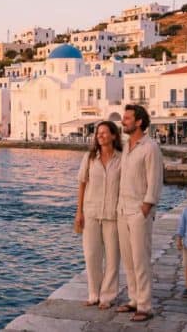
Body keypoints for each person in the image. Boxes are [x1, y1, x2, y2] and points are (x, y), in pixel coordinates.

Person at [115, 105, 163, 322]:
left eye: (127, 118)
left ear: (139, 122)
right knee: (128, 259)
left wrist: (147, 205)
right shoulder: (127, 146)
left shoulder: (150, 147)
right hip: (122, 209)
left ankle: (145, 305)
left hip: (139, 210)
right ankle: (133, 299)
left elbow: (155, 178)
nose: (123, 121)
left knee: (140, 259)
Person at [74, 121, 123, 310]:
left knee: (112, 257)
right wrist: (79, 212)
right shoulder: (89, 157)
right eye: (98, 133)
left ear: (113, 135)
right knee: (92, 254)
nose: (100, 136)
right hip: (91, 212)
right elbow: (82, 184)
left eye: (104, 132)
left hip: (113, 214)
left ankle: (107, 296)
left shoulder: (121, 159)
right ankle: (93, 294)